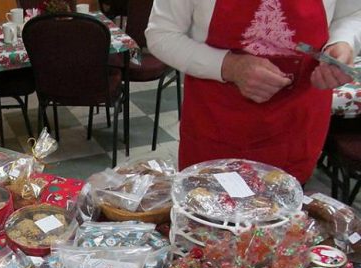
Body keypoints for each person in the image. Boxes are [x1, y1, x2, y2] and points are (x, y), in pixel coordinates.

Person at [146, 0, 361, 183]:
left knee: (285, 223)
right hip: (217, 124)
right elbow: (161, 34)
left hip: (297, 126)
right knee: (208, 222)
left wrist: (343, 42)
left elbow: (352, 13)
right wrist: (228, 66)